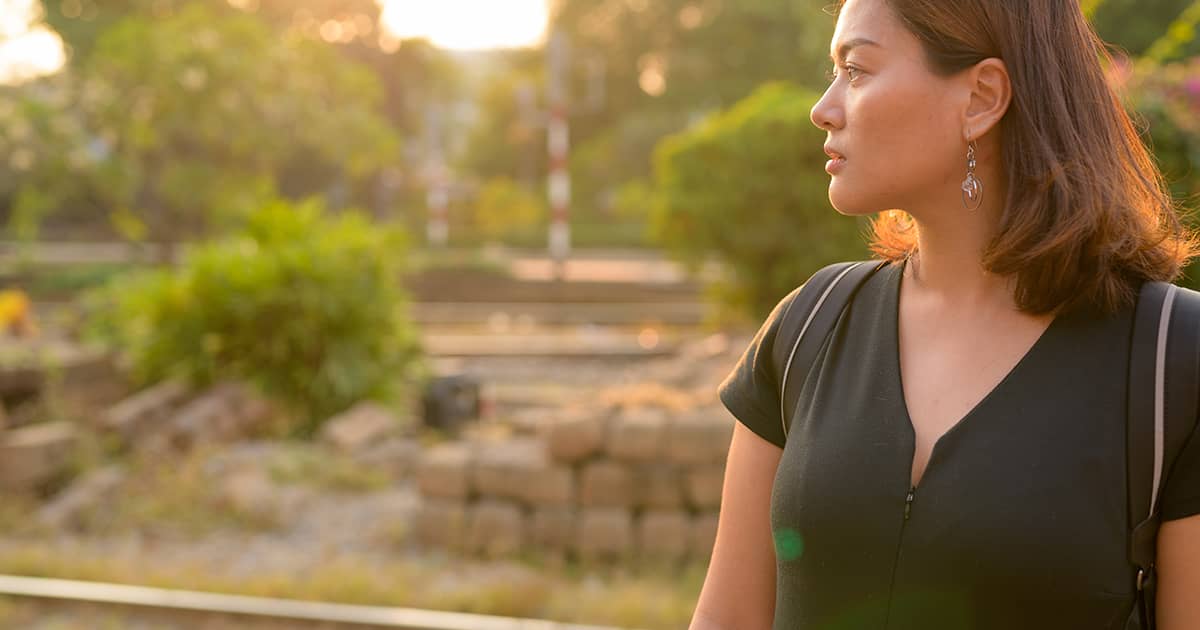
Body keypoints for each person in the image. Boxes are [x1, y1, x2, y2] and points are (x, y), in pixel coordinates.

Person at [689, 0, 1200, 628]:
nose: (823, 108)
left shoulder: (1172, 358)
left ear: (981, 97)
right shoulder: (809, 326)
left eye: (856, 70)